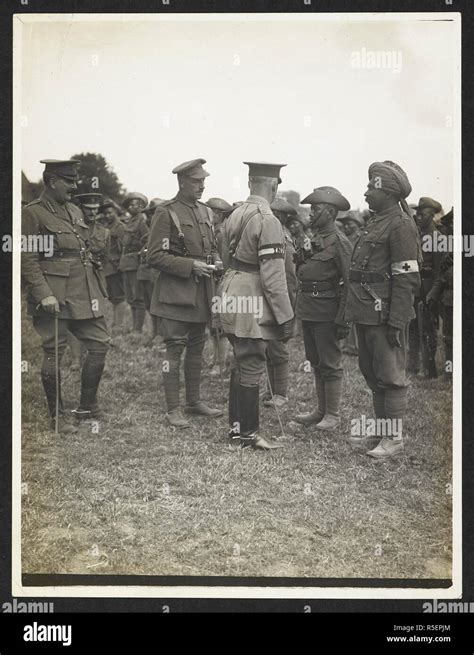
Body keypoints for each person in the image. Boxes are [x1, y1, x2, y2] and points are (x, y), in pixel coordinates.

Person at [21, 159, 110, 433]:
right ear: (52, 181)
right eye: (69, 181)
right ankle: (57, 417)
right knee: (53, 352)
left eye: (74, 181)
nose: (74, 186)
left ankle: (85, 406)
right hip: (54, 294)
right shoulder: (32, 213)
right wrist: (43, 293)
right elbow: (27, 258)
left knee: (100, 343)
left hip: (84, 291)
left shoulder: (73, 209)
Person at [344, 160, 421, 458]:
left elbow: (407, 278)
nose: (365, 193)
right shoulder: (376, 221)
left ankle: (394, 438)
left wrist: (397, 320)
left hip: (385, 313)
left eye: (370, 187)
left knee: (390, 376)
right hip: (366, 310)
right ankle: (382, 431)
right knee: (373, 373)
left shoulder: (400, 225)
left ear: (388, 192)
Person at [219, 161, 294, 450]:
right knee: (251, 361)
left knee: (241, 359)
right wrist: (285, 316)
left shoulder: (235, 212)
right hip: (252, 292)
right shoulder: (268, 219)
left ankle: (236, 431)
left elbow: (225, 257)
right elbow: (273, 276)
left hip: (231, 287)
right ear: (274, 185)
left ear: (251, 182)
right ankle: (248, 434)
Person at [147, 159, 222, 428]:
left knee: (197, 346)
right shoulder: (166, 212)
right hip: (176, 293)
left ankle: (193, 401)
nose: (202, 186)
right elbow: (154, 256)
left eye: (203, 181)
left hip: (201, 291)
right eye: (196, 181)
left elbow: (209, 247)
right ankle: (172, 408)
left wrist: (216, 261)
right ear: (181, 182)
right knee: (174, 349)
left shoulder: (205, 212)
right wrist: (190, 265)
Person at [293, 187, 352, 431]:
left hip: (328, 311)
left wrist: (343, 318)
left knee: (330, 363)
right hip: (309, 309)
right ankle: (321, 410)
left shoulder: (340, 243)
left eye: (315, 210)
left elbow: (350, 283)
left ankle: (333, 414)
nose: (310, 214)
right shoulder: (315, 240)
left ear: (329, 213)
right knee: (316, 361)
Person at [261, 196, 299, 408]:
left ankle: (281, 394)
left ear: (281, 217)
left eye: (274, 214)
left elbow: (288, 275)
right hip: (271, 295)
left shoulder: (283, 239)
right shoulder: (274, 234)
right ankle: (271, 389)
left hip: (281, 296)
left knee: (278, 346)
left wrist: (285, 305)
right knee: (268, 345)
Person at [407, 197, 443, 375]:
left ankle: (428, 369)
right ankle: (413, 366)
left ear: (431, 216)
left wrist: (432, 295)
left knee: (427, 329)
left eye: (422, 214)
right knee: (412, 327)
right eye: (417, 214)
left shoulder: (437, 238)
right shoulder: (417, 235)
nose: (418, 217)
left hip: (428, 288)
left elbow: (440, 271)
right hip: (414, 286)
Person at [205, 197, 234, 375]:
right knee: (213, 322)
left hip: (220, 281)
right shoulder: (211, 231)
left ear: (220, 215)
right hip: (213, 279)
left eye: (212, 213)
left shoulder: (222, 234)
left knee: (220, 325)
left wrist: (218, 267)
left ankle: (221, 363)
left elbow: (225, 261)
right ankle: (216, 359)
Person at [427, 208, 453, 376]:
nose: (452, 227)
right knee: (449, 338)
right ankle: (450, 372)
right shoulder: (449, 248)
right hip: (449, 299)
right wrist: (432, 296)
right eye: (451, 224)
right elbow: (441, 275)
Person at [119, 191, 149, 335]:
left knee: (138, 297)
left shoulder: (142, 221)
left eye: (137, 204)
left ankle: (137, 329)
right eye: (130, 204)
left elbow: (148, 239)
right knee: (130, 297)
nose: (133, 207)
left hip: (136, 263)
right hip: (126, 262)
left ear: (142, 206)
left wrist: (141, 253)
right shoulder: (129, 221)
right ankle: (134, 327)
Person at [139, 198, 166, 345]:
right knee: (149, 304)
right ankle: (155, 332)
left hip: (159, 272)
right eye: (149, 214)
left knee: (159, 304)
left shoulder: (167, 229)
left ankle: (161, 334)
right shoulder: (150, 230)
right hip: (147, 271)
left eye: (154, 213)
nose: (151, 217)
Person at [98, 199, 126, 332]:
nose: (107, 215)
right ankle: (115, 324)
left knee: (119, 297)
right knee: (113, 297)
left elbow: (124, 248)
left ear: (116, 211)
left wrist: (120, 265)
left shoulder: (120, 227)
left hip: (115, 267)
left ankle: (118, 326)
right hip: (108, 267)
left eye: (110, 212)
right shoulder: (107, 227)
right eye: (105, 213)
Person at [339, 210, 365, 356]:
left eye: (349, 224)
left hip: (356, 280)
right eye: (345, 225)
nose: (346, 227)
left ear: (357, 225)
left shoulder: (360, 239)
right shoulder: (344, 238)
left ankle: (355, 346)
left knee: (355, 313)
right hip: (346, 278)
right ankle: (348, 345)